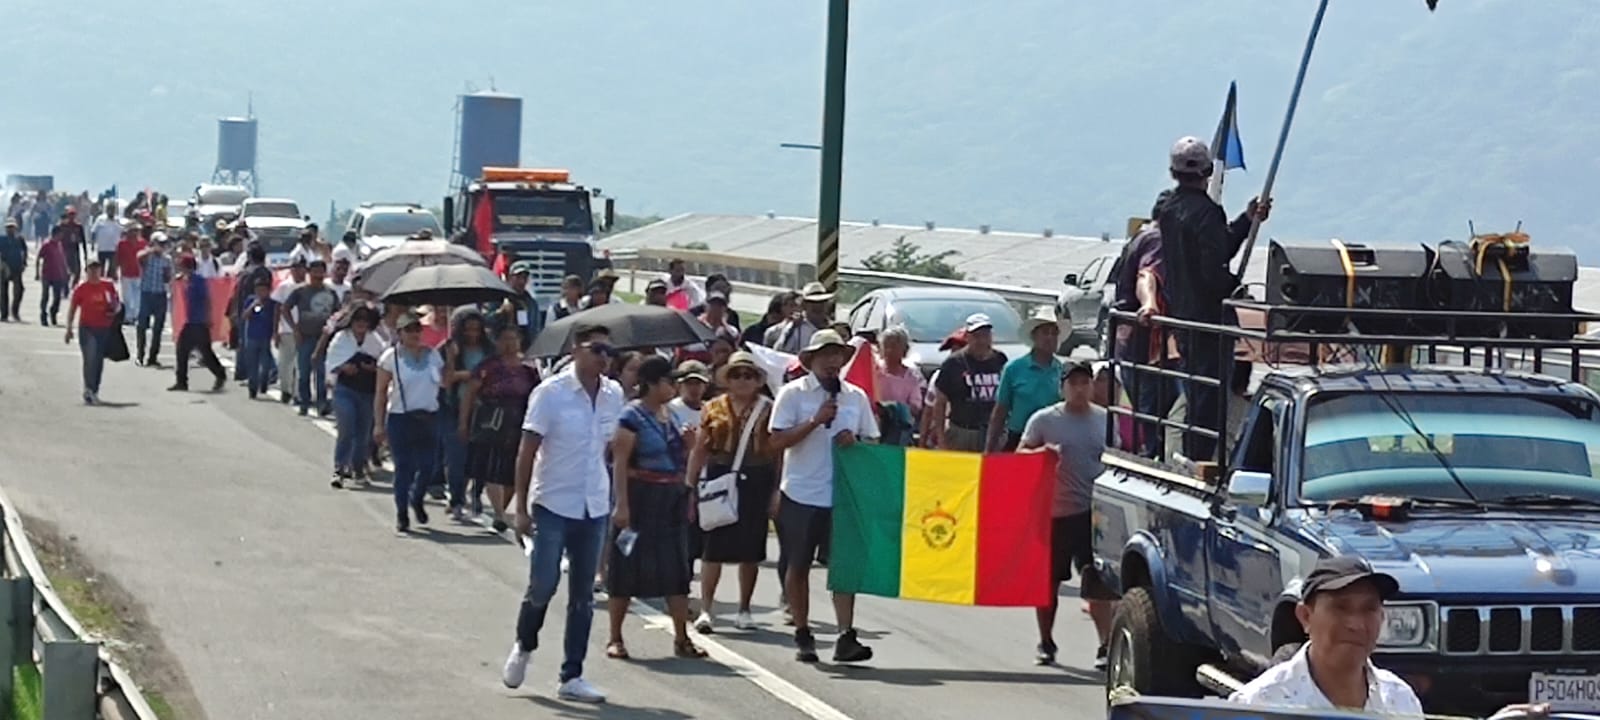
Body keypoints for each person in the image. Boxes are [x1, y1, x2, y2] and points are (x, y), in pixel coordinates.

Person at [502, 323, 620, 704]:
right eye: (596, 349)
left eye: (608, 351)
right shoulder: (550, 393)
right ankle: (524, 644)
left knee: (583, 594)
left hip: (593, 504)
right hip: (553, 501)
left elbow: (609, 450)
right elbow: (527, 451)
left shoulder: (613, 394)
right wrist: (521, 507)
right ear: (575, 350)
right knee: (543, 583)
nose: (603, 358)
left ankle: (572, 674)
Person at [769, 329, 880, 663]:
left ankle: (846, 634)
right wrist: (815, 421)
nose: (833, 361)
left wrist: (855, 443)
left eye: (837, 355)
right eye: (826, 355)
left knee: (843, 566)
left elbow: (873, 440)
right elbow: (776, 441)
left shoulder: (855, 396)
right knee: (798, 564)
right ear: (812, 360)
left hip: (842, 496)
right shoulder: (793, 394)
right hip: (801, 492)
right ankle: (803, 631)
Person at [1157, 136, 1270, 462]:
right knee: (1208, 396)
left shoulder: (1167, 209)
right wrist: (1235, 288)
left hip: (1182, 315)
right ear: (1206, 171)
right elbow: (1213, 268)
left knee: (1196, 391)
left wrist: (1246, 220)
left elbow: (1213, 249)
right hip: (1208, 318)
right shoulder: (1207, 213)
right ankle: (1201, 460)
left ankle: (1193, 454)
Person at [603, 355, 707, 661]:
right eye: (668, 381)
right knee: (625, 567)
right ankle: (615, 637)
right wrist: (621, 505)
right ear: (651, 383)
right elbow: (619, 462)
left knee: (677, 569)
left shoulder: (669, 415)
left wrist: (690, 446)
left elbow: (680, 460)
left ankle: (681, 638)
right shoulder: (631, 416)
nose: (673, 386)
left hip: (670, 497)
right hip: (640, 497)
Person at [1019, 361, 1118, 667]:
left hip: (1095, 514)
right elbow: (1020, 456)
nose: (1079, 388)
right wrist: (1041, 453)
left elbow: (1121, 458)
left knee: (1098, 583)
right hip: (1055, 514)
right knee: (1048, 583)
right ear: (1062, 387)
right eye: (1073, 383)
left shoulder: (1106, 420)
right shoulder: (1044, 420)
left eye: (1084, 382)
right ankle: (1046, 642)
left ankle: (1105, 646)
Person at [687, 352, 777, 633]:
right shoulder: (713, 407)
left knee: (751, 549)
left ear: (757, 380)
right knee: (713, 547)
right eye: (736, 375)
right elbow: (700, 448)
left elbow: (778, 453)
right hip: (719, 475)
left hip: (757, 478)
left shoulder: (769, 409)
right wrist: (690, 485)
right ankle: (706, 609)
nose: (742, 380)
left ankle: (744, 608)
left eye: (748, 375)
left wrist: (777, 489)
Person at [460, 320, 540, 532]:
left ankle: (502, 509)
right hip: (491, 421)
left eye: (513, 339)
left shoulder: (529, 368)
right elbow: (470, 393)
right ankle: (498, 512)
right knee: (491, 467)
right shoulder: (488, 366)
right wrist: (464, 422)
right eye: (504, 339)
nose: (509, 344)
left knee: (513, 471)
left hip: (519, 421)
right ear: (497, 342)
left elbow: (538, 394)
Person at [373, 311, 443, 532]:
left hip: (428, 417)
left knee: (428, 466)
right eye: (409, 330)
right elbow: (381, 392)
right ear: (400, 333)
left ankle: (417, 497)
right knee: (404, 468)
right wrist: (379, 424)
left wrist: (451, 355)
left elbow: (444, 382)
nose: (414, 334)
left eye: (417, 329)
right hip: (401, 417)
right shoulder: (390, 357)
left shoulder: (433, 355)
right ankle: (402, 512)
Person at [440, 307, 494, 520]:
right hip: (453, 407)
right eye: (468, 329)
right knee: (456, 457)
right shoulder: (448, 348)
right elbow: (445, 380)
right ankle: (456, 499)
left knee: (479, 457)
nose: (472, 334)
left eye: (476, 329)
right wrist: (454, 362)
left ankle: (476, 494)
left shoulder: (489, 350)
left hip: (483, 410)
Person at [929, 314, 1007, 451]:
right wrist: (941, 439)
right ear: (967, 337)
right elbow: (940, 403)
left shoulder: (1000, 360)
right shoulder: (953, 363)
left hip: (992, 432)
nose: (981, 341)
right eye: (976, 336)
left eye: (986, 335)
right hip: (961, 432)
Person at [326, 306, 384, 488]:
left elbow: (384, 363)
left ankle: (358, 468)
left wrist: (372, 368)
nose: (361, 323)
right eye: (358, 319)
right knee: (346, 427)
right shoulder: (341, 338)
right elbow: (332, 362)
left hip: (367, 392)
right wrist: (343, 367)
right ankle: (339, 468)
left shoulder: (375, 341)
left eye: (365, 320)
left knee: (363, 434)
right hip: (345, 389)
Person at [987, 313, 1062, 452]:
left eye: (1054, 333)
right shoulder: (1014, 368)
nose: (1050, 338)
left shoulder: (1062, 370)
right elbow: (1001, 410)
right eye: (1045, 333)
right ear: (1034, 336)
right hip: (1018, 437)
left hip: (1052, 440)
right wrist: (990, 447)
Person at [284, 260, 340, 416]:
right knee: (304, 373)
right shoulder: (300, 292)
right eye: (315, 272)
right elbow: (285, 308)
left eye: (321, 272)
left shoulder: (331, 293)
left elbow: (338, 313)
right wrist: (295, 329)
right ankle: (305, 402)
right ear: (309, 273)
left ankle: (321, 403)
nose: (318, 275)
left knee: (321, 373)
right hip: (305, 337)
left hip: (324, 339)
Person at [63, 260, 121, 405]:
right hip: (87, 328)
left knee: (98, 360)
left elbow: (116, 304)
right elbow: (72, 309)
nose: (94, 273)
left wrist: (114, 310)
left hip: (104, 328)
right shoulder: (81, 289)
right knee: (90, 358)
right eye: (91, 270)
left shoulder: (107, 286)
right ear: (86, 272)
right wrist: (69, 328)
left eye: (97, 270)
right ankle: (88, 389)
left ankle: (94, 390)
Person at [168, 256, 227, 392]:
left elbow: (207, 299)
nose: (180, 268)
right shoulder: (185, 280)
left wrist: (208, 317)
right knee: (184, 350)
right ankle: (182, 381)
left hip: (199, 321)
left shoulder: (198, 281)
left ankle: (219, 373)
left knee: (204, 352)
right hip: (190, 321)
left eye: (182, 266)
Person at [875, 326, 926, 445]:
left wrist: (897, 409)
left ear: (904, 350)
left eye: (894, 346)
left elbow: (915, 407)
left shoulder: (911, 376)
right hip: (876, 426)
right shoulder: (874, 371)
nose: (889, 350)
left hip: (900, 430)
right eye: (886, 346)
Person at [272, 260, 308, 403]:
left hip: (305, 330)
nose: (300, 272)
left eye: (302, 268)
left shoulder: (309, 286)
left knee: (300, 364)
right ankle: (285, 390)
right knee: (285, 363)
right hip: (287, 329)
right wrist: (275, 331)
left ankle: (298, 393)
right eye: (296, 269)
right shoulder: (284, 286)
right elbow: (277, 309)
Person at [239, 278, 279, 399]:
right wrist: (253, 306)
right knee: (253, 364)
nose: (261, 293)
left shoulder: (272, 303)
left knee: (265, 364)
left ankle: (264, 382)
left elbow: (276, 318)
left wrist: (275, 333)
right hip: (252, 337)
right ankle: (252, 388)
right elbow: (244, 316)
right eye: (258, 290)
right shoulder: (251, 300)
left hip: (266, 337)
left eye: (263, 290)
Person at [765, 283, 832, 353]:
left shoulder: (833, 328)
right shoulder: (794, 328)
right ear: (804, 305)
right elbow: (780, 352)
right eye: (813, 302)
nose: (818, 306)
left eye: (822, 302)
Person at [114, 226, 146, 325]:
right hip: (126, 273)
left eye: (136, 231)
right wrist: (115, 270)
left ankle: (136, 315)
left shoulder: (143, 243)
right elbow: (117, 258)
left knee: (138, 296)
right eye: (132, 231)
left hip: (139, 273)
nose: (134, 233)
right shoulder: (122, 244)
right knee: (127, 297)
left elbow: (146, 259)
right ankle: (128, 316)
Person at [52, 206, 87, 287]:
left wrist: (85, 254)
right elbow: (56, 237)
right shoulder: (62, 226)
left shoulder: (78, 226)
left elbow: (83, 240)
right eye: (70, 214)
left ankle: (74, 286)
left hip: (75, 250)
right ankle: (65, 286)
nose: (72, 216)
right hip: (64, 250)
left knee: (77, 270)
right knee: (65, 270)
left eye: (73, 214)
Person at [0, 219, 25, 322]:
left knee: (19, 290)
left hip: (17, 268)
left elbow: (24, 251)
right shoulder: (2, 239)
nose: (10, 229)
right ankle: (4, 314)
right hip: (4, 267)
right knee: (3, 292)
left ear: (15, 228)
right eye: (8, 227)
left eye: (12, 227)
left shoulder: (19, 239)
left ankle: (15, 311)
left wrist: (24, 263)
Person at [91, 204, 122, 277]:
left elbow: (122, 232)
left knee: (112, 269)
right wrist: (92, 244)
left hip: (114, 249)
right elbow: (93, 231)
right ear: (107, 210)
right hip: (102, 248)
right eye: (110, 209)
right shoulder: (100, 219)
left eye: (113, 209)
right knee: (101, 269)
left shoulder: (118, 220)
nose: (111, 211)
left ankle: (110, 281)